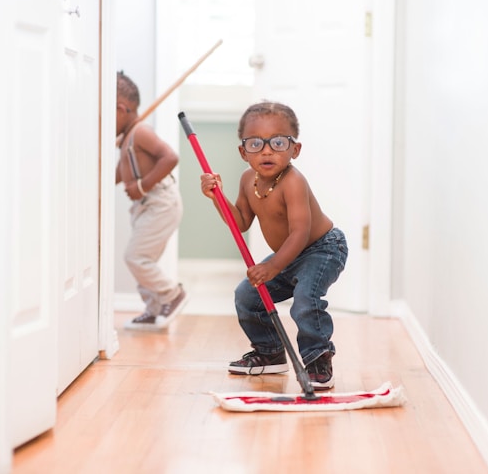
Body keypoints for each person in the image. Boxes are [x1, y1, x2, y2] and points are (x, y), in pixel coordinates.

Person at [200, 101, 348, 390]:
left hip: (322, 249)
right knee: (247, 295)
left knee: (306, 299)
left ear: (295, 149)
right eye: (255, 143)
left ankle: (317, 358)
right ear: (243, 152)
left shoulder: (294, 182)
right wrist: (217, 196)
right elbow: (240, 221)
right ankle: (270, 352)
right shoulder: (248, 180)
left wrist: (272, 266)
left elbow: (300, 233)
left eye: (278, 142)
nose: (267, 150)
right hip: (288, 255)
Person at [116, 71, 187, 330]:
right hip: (144, 205)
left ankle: (171, 294)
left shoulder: (140, 133)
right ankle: (154, 306)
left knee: (135, 257)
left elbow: (170, 157)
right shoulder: (126, 138)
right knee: (143, 258)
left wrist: (141, 186)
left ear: (121, 109)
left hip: (160, 201)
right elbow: (121, 171)